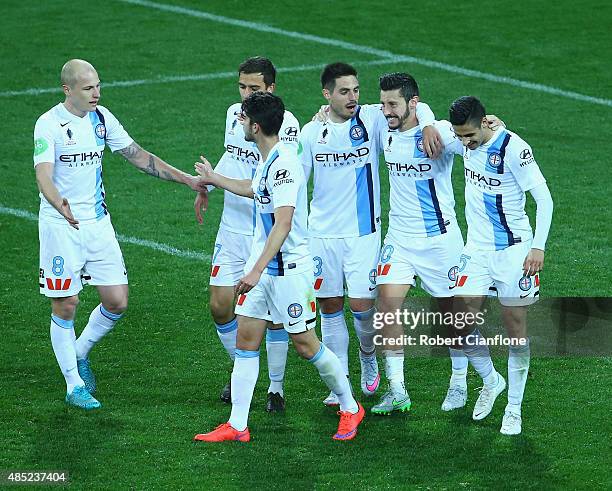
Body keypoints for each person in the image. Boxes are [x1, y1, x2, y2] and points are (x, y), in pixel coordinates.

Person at [34, 59, 207, 410]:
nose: (96, 92)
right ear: (67, 89)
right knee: (66, 303)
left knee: (117, 301)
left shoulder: (102, 118)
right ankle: (73, 386)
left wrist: (186, 180)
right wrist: (59, 203)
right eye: (87, 88)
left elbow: (137, 155)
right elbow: (43, 173)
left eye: (98, 85)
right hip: (60, 226)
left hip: (97, 222)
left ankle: (79, 353)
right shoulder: (49, 124)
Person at [193, 92, 364, 442]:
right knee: (246, 339)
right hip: (265, 272)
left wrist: (255, 270)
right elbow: (254, 189)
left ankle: (350, 407)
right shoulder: (268, 159)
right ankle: (237, 425)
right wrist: (215, 178)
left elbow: (283, 223)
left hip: (287, 272)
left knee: (305, 344)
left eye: (243, 119)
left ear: (255, 126)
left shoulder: (284, 165)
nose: (239, 123)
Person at [299, 62, 439, 406]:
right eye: (344, 91)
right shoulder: (310, 132)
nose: (353, 97)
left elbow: (414, 106)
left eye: (356, 90)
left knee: (363, 307)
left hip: (363, 233)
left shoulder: (373, 118)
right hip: (322, 235)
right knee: (330, 308)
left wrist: (431, 124)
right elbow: (298, 185)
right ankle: (339, 384)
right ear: (326, 94)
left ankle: (367, 356)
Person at [194, 57, 298, 412]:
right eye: (241, 87)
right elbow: (233, 155)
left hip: (264, 231)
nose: (245, 95)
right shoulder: (233, 115)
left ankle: (276, 387)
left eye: (253, 88)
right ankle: (243, 368)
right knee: (220, 306)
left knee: (274, 312)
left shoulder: (286, 127)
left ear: (270, 89)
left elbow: (262, 187)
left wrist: (217, 180)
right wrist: (208, 183)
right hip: (232, 227)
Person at [448, 95, 553, 435]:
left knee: (515, 331)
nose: (465, 143)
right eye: (459, 136)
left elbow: (545, 199)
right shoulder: (466, 137)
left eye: (469, 136)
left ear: (483, 124)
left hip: (514, 252)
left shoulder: (514, 149)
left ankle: (514, 408)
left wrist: (537, 247)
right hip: (476, 250)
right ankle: (492, 381)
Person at [373, 72, 468, 415]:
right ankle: (397, 389)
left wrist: (493, 127)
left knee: (450, 319)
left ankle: (459, 381)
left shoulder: (440, 133)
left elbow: (476, 140)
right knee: (386, 306)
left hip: (439, 240)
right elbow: (345, 110)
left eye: (393, 104)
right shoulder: (385, 125)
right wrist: (323, 115)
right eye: (383, 104)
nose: (386, 111)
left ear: (412, 102)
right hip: (398, 239)